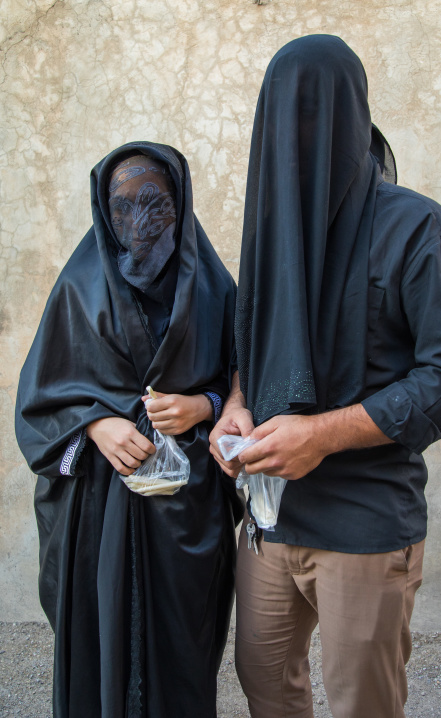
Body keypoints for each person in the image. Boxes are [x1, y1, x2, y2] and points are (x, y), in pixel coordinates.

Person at [209, 35, 441, 718]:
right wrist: (237, 404)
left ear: (352, 116)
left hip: (365, 524)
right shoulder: (271, 232)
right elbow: (256, 340)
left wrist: (324, 435)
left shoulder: (420, 230)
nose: (294, 133)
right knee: (267, 685)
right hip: (270, 519)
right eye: (279, 114)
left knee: (364, 703)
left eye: (313, 112)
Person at [16, 141, 242, 717]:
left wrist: (204, 405)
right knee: (100, 648)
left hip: (184, 514)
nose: (139, 224)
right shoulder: (77, 291)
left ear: (181, 203)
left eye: (155, 204)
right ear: (103, 211)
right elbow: (40, 400)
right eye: (123, 209)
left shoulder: (216, 291)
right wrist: (95, 426)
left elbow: (244, 383)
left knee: (182, 653)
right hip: (96, 512)